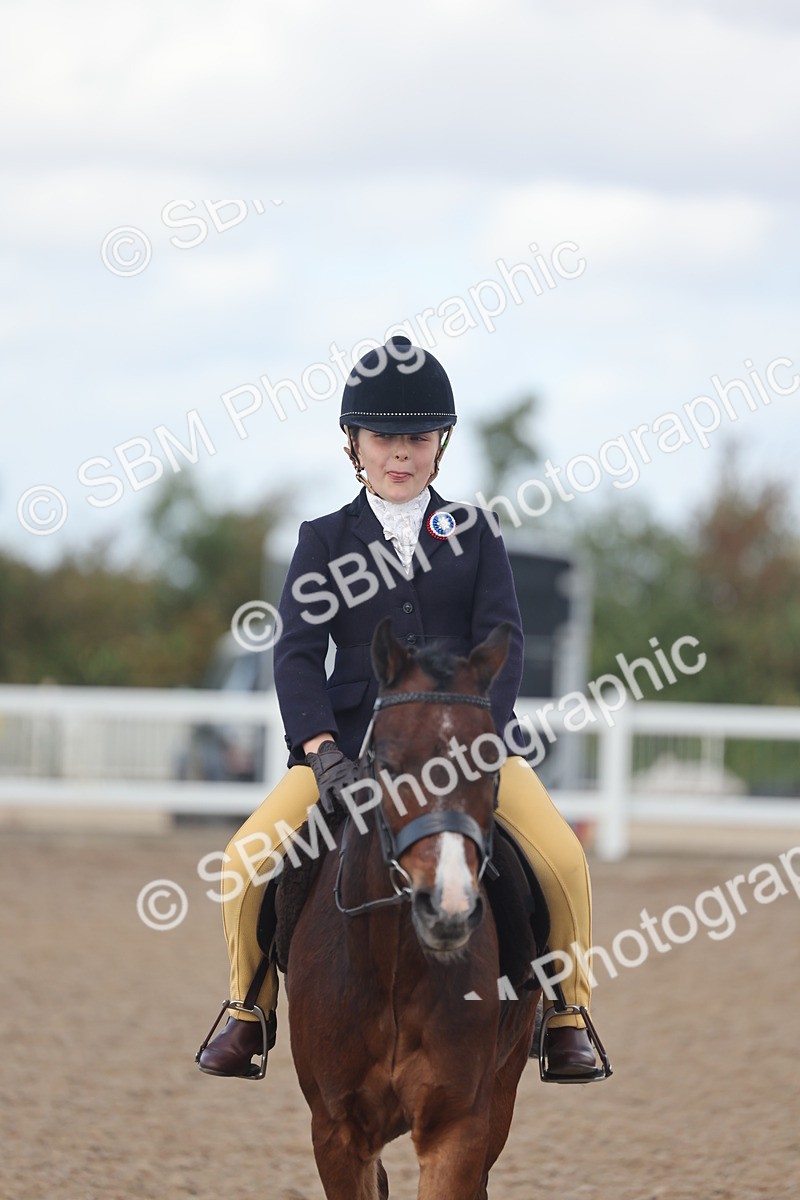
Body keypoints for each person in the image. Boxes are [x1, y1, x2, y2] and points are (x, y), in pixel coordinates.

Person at [197, 335, 607, 1081]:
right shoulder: (324, 540)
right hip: (353, 748)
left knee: (563, 860)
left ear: (439, 444)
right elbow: (296, 654)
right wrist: (321, 752)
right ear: (354, 443)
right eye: (384, 438)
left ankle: (567, 1015)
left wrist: (485, 739)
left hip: (467, 747)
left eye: (417, 438)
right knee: (246, 858)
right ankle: (248, 1010)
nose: (400, 453)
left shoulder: (475, 534)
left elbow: (505, 641)